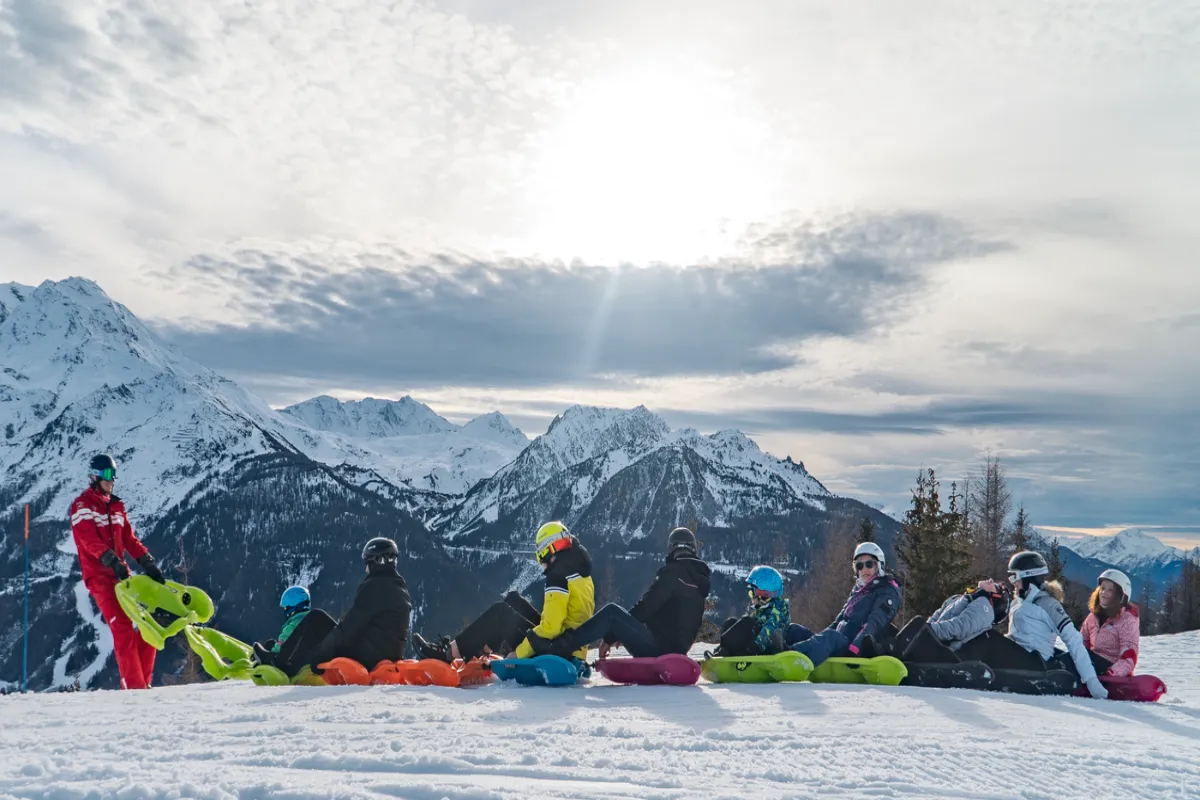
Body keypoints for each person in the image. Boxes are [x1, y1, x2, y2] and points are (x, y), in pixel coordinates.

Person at [414, 521, 595, 663]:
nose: (542, 562)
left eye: (541, 555)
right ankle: (483, 648)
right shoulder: (579, 569)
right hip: (568, 644)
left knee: (500, 613)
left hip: (557, 651)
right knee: (513, 599)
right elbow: (558, 623)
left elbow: (551, 628)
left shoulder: (558, 576)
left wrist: (518, 653)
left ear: (550, 549)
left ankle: (448, 653)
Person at [70, 454, 167, 690]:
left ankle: (143, 683)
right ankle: (134, 688)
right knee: (123, 627)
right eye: (106, 475)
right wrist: (111, 560)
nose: (111, 480)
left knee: (148, 625)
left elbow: (129, 539)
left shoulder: (116, 506)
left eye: (113, 475)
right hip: (100, 577)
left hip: (121, 575)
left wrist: (147, 562)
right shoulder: (82, 506)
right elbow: (88, 540)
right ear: (93, 476)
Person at [550, 526, 711, 658]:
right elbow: (675, 618)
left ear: (671, 549)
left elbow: (645, 607)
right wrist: (627, 632)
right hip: (677, 651)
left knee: (611, 613)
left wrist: (612, 635)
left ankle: (561, 646)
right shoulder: (699, 579)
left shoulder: (673, 573)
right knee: (616, 617)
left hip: (658, 648)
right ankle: (565, 646)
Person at [1003, 550, 1107, 699]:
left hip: (1034, 662)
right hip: (1017, 655)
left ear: (1028, 578)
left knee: (988, 639)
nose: (1013, 582)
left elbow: (1073, 640)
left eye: (1015, 577)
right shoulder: (1018, 601)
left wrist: (1092, 682)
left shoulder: (1048, 604)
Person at [786, 542, 902, 668]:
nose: (864, 570)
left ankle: (789, 656)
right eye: (859, 566)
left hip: (855, 649)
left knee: (831, 637)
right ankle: (771, 651)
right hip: (840, 641)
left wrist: (855, 648)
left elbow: (875, 622)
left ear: (879, 566)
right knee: (794, 630)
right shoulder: (859, 590)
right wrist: (818, 639)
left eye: (869, 564)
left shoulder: (888, 591)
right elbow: (839, 620)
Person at [308, 537, 412, 671]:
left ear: (375, 562)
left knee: (316, 618)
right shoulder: (399, 587)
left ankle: (284, 664)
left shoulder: (374, 587)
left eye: (366, 563)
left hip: (367, 658)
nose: (366, 568)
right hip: (388, 655)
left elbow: (349, 628)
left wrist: (320, 655)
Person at [882, 578, 1010, 662]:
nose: (991, 580)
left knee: (918, 623)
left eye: (997, 587)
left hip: (945, 651)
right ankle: (880, 647)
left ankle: (887, 653)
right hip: (934, 641)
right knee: (888, 627)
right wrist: (926, 630)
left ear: (995, 598)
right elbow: (934, 618)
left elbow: (960, 627)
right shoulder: (960, 598)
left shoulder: (984, 606)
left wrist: (930, 630)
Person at [711, 565, 790, 657]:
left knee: (747, 622)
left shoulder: (778, 608)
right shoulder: (762, 608)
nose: (752, 596)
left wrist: (753, 648)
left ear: (763, 593)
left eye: (753, 592)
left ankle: (728, 653)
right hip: (755, 646)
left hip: (765, 648)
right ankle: (724, 649)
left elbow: (769, 630)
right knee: (731, 622)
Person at [1081, 569, 1140, 677]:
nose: (1103, 593)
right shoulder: (1093, 617)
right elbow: (1081, 642)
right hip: (1089, 664)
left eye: (1110, 590)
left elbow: (1129, 656)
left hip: (1110, 668)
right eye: (1102, 588)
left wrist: (1112, 673)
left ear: (1121, 596)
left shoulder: (1127, 620)